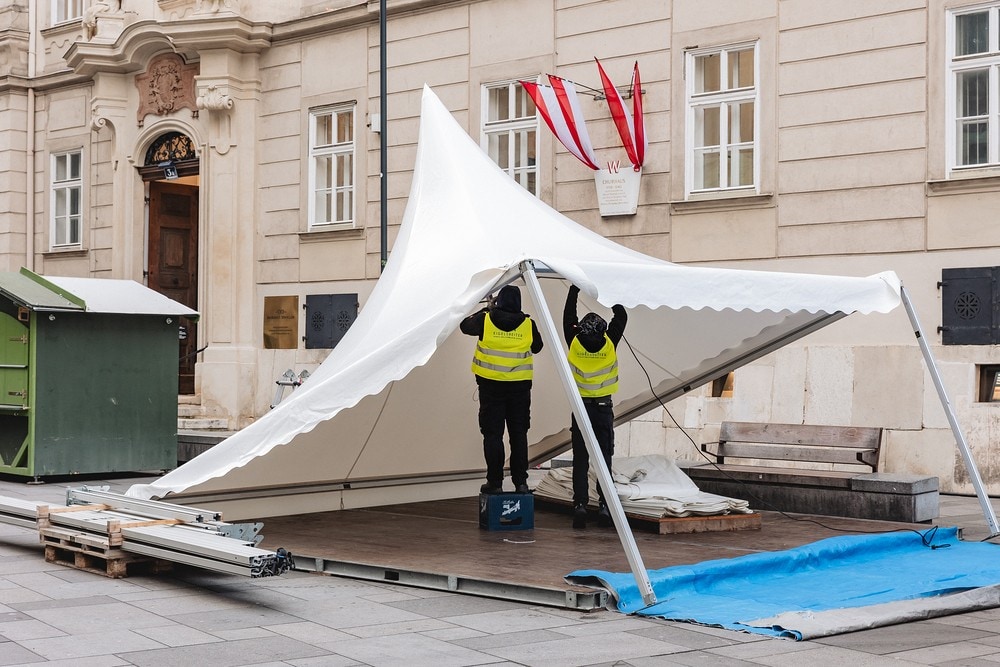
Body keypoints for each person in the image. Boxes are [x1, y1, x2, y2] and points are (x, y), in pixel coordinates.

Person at [461, 285, 543, 495]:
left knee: (493, 435)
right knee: (519, 435)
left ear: (499, 301)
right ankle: (521, 483)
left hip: (491, 388)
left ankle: (495, 483)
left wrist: (486, 309)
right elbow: (538, 347)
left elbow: (463, 325)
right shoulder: (528, 324)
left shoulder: (485, 320)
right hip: (520, 390)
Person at [564, 284, 627, 529]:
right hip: (603, 409)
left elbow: (568, 316)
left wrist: (574, 290)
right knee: (604, 459)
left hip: (581, 409)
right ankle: (604, 506)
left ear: (580, 328)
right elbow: (621, 316)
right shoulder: (609, 341)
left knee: (580, 459)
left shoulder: (575, 342)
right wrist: (606, 291)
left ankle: (579, 505)